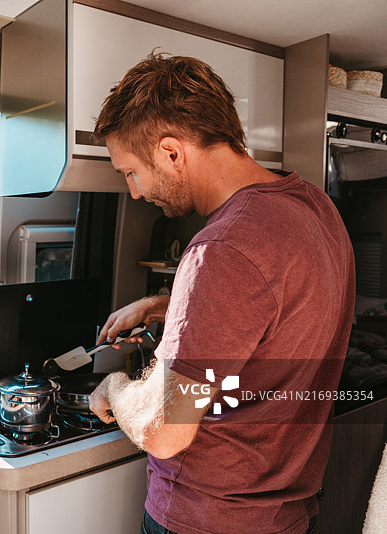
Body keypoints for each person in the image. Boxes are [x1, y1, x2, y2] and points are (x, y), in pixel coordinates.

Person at [88, 52, 355, 534]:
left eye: (130, 172)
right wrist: (174, 304)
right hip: (286, 515)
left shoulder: (222, 248)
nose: (133, 192)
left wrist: (116, 389)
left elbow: (164, 430)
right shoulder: (315, 207)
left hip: (206, 519)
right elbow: (283, 309)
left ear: (171, 152)